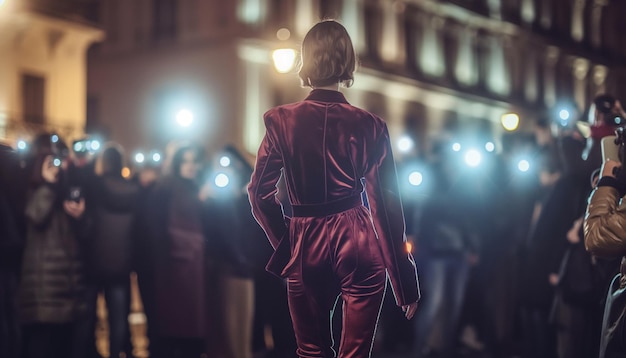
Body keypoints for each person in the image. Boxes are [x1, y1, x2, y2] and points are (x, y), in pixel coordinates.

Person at [247, 20, 420, 358]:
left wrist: (286, 245)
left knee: (311, 352)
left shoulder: (282, 120)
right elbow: (385, 206)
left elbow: (258, 193)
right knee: (355, 353)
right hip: (356, 237)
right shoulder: (370, 125)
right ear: (347, 61)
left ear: (306, 61)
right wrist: (404, 280)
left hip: (304, 238)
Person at [18, 145, 91, 358]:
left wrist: (80, 217)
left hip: (69, 289)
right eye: (49, 163)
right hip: (45, 291)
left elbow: (86, 235)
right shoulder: (35, 192)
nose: (56, 168)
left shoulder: (67, 193)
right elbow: (36, 216)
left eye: (58, 162)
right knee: (42, 346)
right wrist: (48, 185)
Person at [142, 143, 208, 357]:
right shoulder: (166, 188)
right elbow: (157, 228)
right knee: (174, 323)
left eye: (193, 161)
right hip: (174, 265)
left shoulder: (195, 187)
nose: (190, 166)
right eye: (185, 161)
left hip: (194, 266)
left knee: (191, 322)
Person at [88, 144, 140, 357]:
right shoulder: (134, 192)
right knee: (118, 318)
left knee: (89, 317)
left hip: (93, 261)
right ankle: (115, 353)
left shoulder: (94, 187)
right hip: (121, 262)